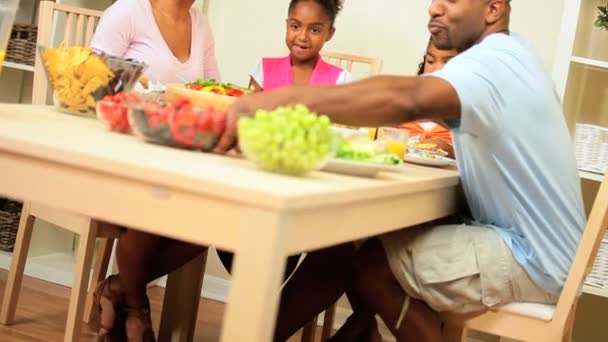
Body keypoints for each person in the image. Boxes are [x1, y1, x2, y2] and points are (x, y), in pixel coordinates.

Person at [214, 0, 586, 341]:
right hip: (530, 246)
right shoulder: (512, 56)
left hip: (533, 259)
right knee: (347, 243)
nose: (435, 7)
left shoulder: (494, 64)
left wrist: (284, 97)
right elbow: (420, 105)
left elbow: (407, 99)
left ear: (493, 9)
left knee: (376, 265)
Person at [89, 0, 220, 340]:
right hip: (119, 151)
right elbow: (92, 81)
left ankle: (117, 289)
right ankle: (137, 309)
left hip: (172, 156)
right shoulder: (129, 11)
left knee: (209, 226)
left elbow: (213, 94)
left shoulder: (200, 25)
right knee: (157, 209)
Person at [248, 0, 352, 92]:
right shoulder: (263, 69)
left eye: (314, 30)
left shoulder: (341, 80)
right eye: (295, 26)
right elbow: (246, 111)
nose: (302, 37)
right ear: (287, 25)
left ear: (329, 34)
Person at [400, 38, 458, 158]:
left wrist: (451, 151)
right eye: (430, 61)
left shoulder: (471, 111)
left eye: (448, 62)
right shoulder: (408, 100)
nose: (436, 70)